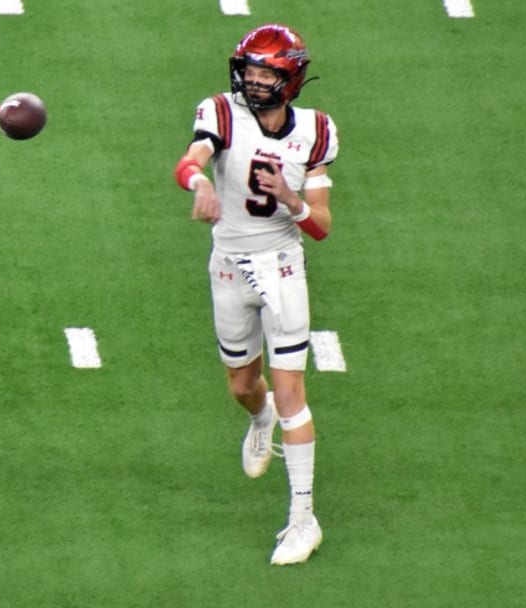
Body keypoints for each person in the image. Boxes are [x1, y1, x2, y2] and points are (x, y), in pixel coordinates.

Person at [173, 23, 339, 565]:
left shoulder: (315, 131)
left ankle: (303, 519)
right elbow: (192, 159)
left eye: (266, 72)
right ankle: (258, 419)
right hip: (227, 264)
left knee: (293, 392)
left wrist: (291, 197)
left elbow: (320, 226)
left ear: (289, 77)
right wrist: (198, 182)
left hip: (282, 267)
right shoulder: (221, 111)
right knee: (245, 384)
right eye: (249, 69)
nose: (254, 80)